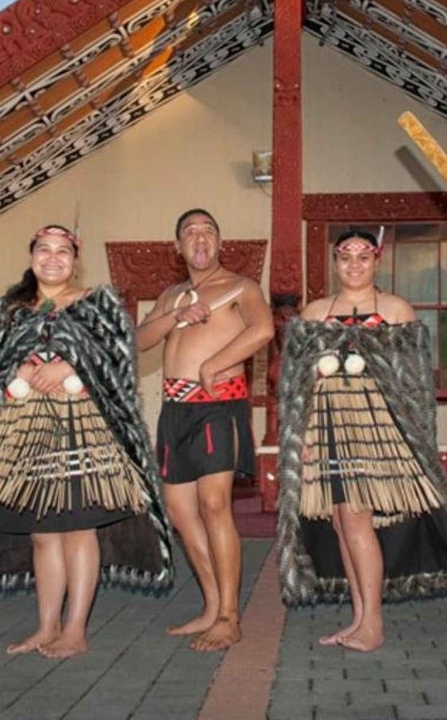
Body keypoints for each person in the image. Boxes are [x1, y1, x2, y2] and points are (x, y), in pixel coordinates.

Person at [0, 225, 172, 659]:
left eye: (63, 252)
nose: (53, 258)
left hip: (82, 424)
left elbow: (119, 358)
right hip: (22, 426)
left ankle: (75, 629)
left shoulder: (96, 303)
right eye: (44, 250)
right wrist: (16, 373)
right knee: (43, 533)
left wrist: (71, 370)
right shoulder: (7, 310)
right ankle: (47, 626)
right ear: (31, 256)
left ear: (75, 259)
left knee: (79, 527)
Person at [276, 229, 447, 652]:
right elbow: (295, 383)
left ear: (377, 260)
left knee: (355, 517)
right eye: (345, 256)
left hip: (376, 430)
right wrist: (303, 436)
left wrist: (415, 439)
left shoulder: (395, 310)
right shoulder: (316, 312)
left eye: (363, 256)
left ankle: (373, 622)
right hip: (326, 425)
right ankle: (357, 618)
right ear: (334, 261)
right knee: (340, 521)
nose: (354, 264)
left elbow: (414, 386)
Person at [137, 208, 274, 651]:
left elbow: (264, 328)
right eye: (190, 232)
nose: (200, 237)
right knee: (179, 510)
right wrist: (178, 316)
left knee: (215, 504)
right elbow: (139, 340)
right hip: (174, 411)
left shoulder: (240, 287)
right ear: (178, 247)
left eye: (208, 231)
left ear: (219, 242)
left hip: (218, 405)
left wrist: (215, 361)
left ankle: (231, 617)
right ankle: (213, 606)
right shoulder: (172, 295)